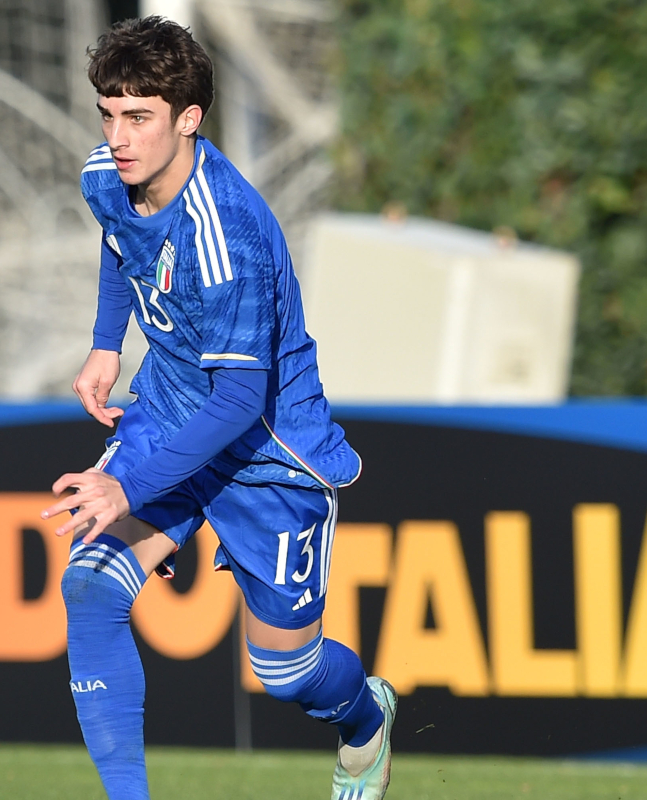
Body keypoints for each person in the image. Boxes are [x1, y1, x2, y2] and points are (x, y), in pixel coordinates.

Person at [40, 16, 396, 800]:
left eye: (139, 117)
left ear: (189, 119)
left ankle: (365, 720)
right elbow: (118, 237)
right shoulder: (108, 172)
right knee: (91, 586)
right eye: (107, 112)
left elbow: (240, 399)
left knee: (286, 671)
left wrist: (131, 490)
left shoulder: (225, 232)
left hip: (269, 452)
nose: (118, 136)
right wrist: (108, 342)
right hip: (170, 412)